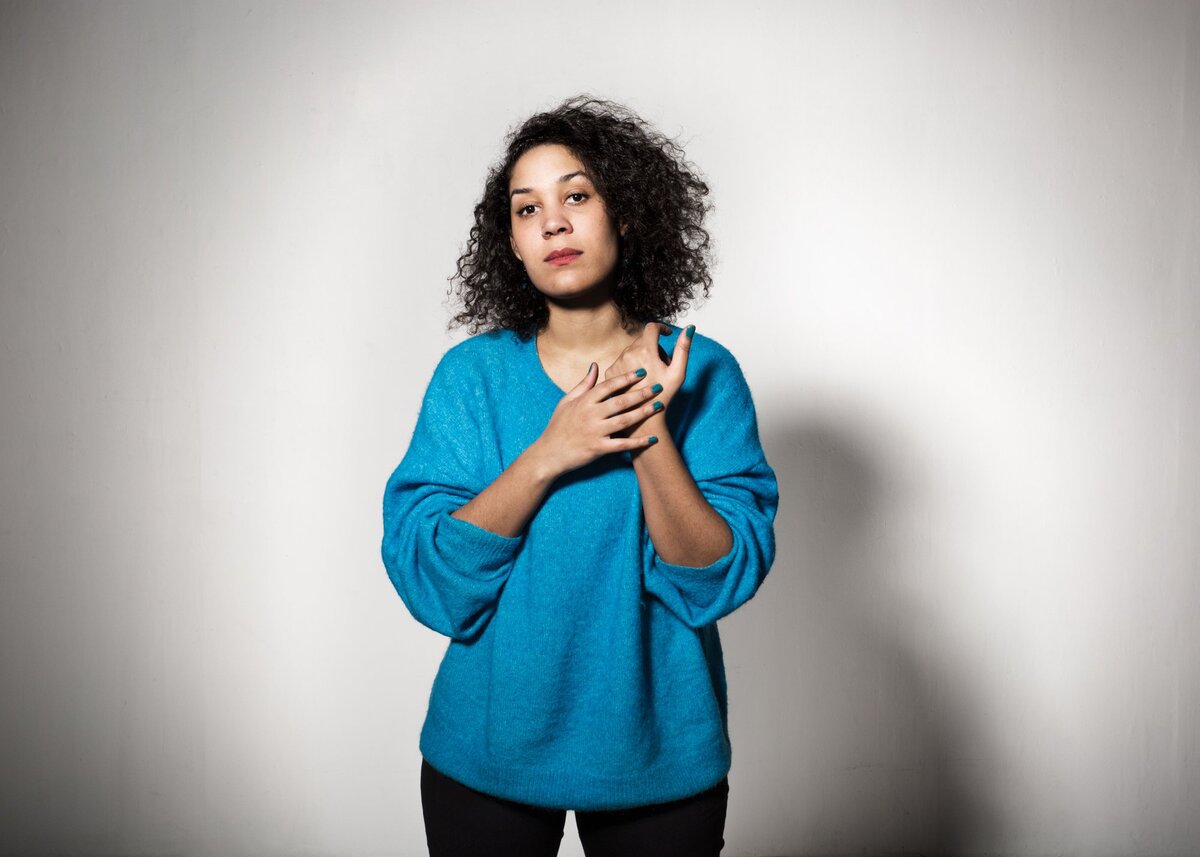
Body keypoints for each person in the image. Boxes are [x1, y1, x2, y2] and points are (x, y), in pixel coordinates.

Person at [380, 95, 779, 857]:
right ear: (511, 241)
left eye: (577, 196)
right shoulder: (472, 377)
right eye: (527, 208)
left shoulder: (703, 372)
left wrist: (648, 424)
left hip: (659, 753)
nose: (553, 223)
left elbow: (714, 582)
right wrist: (551, 450)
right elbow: (432, 582)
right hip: (484, 753)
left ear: (624, 213)